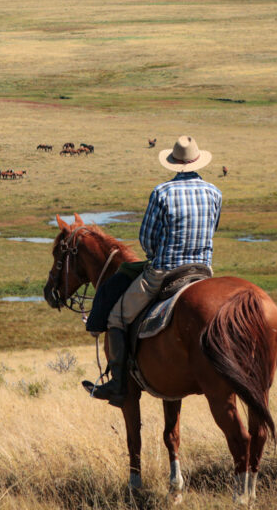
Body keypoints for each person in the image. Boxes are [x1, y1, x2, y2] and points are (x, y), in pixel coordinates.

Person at [88, 135, 222, 406]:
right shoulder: (214, 192)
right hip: (202, 271)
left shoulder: (162, 193)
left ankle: (117, 384)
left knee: (116, 317)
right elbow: (213, 229)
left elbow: (147, 240)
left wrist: (159, 254)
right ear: (198, 161)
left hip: (165, 272)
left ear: (173, 163)